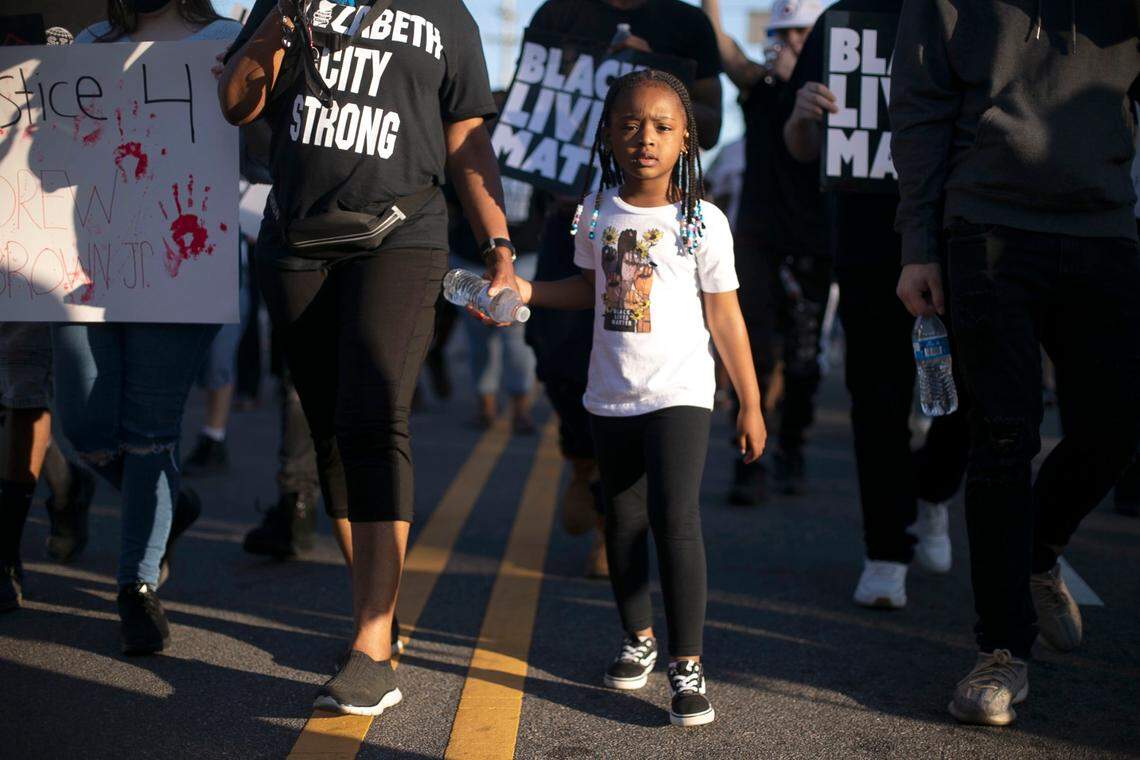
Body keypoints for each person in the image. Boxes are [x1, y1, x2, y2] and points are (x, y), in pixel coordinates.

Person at [219, 0, 516, 715]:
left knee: (375, 415)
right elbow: (236, 104)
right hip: (294, 241)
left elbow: (467, 135)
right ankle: (372, 610)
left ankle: (373, 647)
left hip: (401, 232)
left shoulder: (446, 15)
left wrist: (498, 245)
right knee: (329, 427)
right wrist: (279, 22)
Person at [891, 0, 1140, 726]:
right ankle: (1000, 652)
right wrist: (917, 244)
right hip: (987, 223)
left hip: (1103, 227)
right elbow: (919, 107)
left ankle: (1039, 550)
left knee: (1116, 427)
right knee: (1002, 439)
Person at [507, 69, 766, 728]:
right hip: (611, 393)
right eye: (629, 125)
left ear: (686, 138)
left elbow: (725, 316)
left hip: (681, 391)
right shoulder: (593, 213)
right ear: (608, 134)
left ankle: (688, 664)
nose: (644, 138)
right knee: (619, 522)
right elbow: (586, 289)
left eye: (661, 126)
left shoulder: (702, 221)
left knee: (674, 518)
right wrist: (530, 294)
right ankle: (638, 640)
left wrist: (751, 400)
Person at [48, 0, 238, 656]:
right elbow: (50, 158)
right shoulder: (93, 42)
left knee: (150, 432)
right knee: (83, 422)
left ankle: (136, 589)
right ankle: (165, 503)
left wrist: (249, 85)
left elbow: (266, 144)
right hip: (82, 263)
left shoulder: (227, 40)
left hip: (179, 268)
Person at [525, 0, 725, 576]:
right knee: (559, 353)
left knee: (629, 349)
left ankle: (612, 517)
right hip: (572, 207)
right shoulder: (555, 14)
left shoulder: (685, 23)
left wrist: (656, 73)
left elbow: (706, 122)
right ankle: (583, 457)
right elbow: (525, 109)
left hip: (651, 223)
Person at [782, 0, 969, 609]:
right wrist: (806, 117)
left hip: (963, 231)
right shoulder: (843, 21)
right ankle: (886, 551)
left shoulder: (972, 13)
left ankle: (933, 490)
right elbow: (800, 145)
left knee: (974, 391)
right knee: (879, 399)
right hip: (868, 238)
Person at [702, 0, 826, 502]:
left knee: (803, 357)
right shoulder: (760, 87)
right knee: (751, 352)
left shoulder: (836, 91)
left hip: (817, 242)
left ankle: (792, 447)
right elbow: (723, 49)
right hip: (756, 239)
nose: (794, 42)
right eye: (786, 33)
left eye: (804, 34)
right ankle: (746, 459)